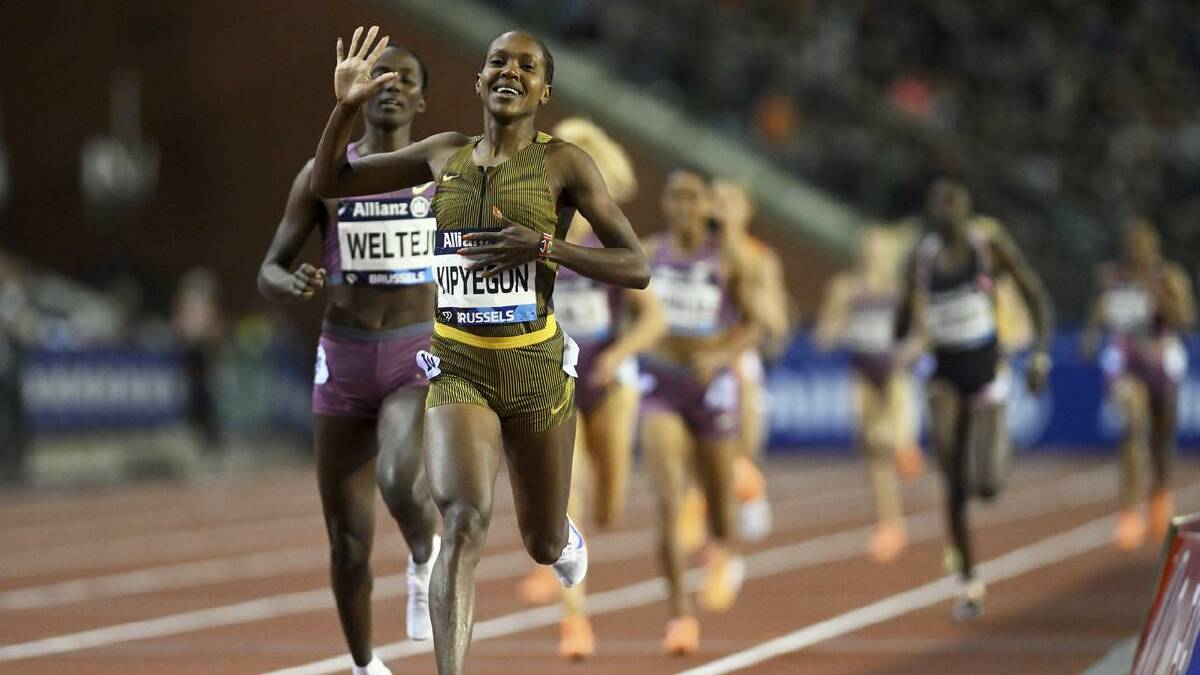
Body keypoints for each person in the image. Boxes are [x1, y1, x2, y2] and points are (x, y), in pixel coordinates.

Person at [308, 27, 650, 675]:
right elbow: (329, 180)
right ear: (478, 80)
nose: (510, 72)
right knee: (462, 522)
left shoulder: (566, 164)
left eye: (527, 66)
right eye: (498, 61)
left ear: (544, 91)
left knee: (541, 540)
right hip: (458, 366)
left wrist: (544, 246)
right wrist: (345, 107)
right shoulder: (444, 154)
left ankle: (561, 535)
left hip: (534, 367)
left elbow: (635, 266)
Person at [258, 42, 440, 675]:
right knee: (347, 543)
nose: (390, 85)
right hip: (343, 361)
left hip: (416, 353)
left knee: (398, 477)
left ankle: (424, 554)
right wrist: (290, 282)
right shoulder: (325, 175)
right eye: (379, 75)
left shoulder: (440, 172)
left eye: (405, 78)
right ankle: (365, 666)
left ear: (422, 99)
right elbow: (269, 268)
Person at [511, 117, 667, 660]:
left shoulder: (605, 236)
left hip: (610, 381)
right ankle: (575, 620)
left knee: (607, 508)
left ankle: (600, 504)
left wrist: (620, 355)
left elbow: (654, 318)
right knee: (566, 494)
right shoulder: (532, 230)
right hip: (557, 379)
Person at [895, 178, 1053, 622]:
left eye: (954, 206)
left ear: (965, 211)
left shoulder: (988, 247)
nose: (946, 214)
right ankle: (967, 580)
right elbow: (901, 319)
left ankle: (998, 454)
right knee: (950, 476)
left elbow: (1035, 294)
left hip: (985, 367)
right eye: (939, 206)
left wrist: (1039, 356)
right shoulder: (924, 256)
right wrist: (904, 311)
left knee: (986, 486)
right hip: (944, 369)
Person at [640, 170, 761, 655]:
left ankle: (724, 551)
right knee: (668, 500)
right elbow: (624, 309)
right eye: (675, 197)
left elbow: (754, 324)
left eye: (693, 197)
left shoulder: (728, 258)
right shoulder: (650, 254)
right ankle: (679, 614)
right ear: (665, 205)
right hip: (661, 385)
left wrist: (722, 355)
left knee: (720, 504)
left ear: (706, 205)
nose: (684, 206)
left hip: (711, 386)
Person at [1083, 219, 1195, 549]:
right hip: (1128, 362)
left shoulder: (1169, 276)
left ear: (1154, 247)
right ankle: (1130, 513)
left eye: (1143, 246)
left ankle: (1160, 495)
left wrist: (1159, 296)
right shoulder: (1116, 278)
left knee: (1161, 436)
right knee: (1131, 430)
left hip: (1161, 359)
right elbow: (1100, 309)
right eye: (1132, 246)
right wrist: (1090, 336)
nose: (1137, 252)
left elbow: (1186, 319)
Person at [815, 225, 923, 564]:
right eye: (868, 248)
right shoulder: (846, 286)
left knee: (890, 440)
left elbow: (924, 333)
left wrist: (908, 352)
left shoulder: (903, 288)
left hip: (895, 372)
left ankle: (904, 444)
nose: (873, 254)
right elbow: (825, 332)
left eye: (879, 248)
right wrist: (834, 331)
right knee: (874, 452)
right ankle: (889, 525)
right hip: (862, 372)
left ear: (891, 253)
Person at [709, 178, 791, 542]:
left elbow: (776, 321)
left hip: (738, 360)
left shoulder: (761, 257)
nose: (720, 206)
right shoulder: (697, 249)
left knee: (739, 453)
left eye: (729, 200)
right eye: (715, 199)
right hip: (696, 359)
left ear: (747, 211)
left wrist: (747, 287)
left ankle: (749, 491)